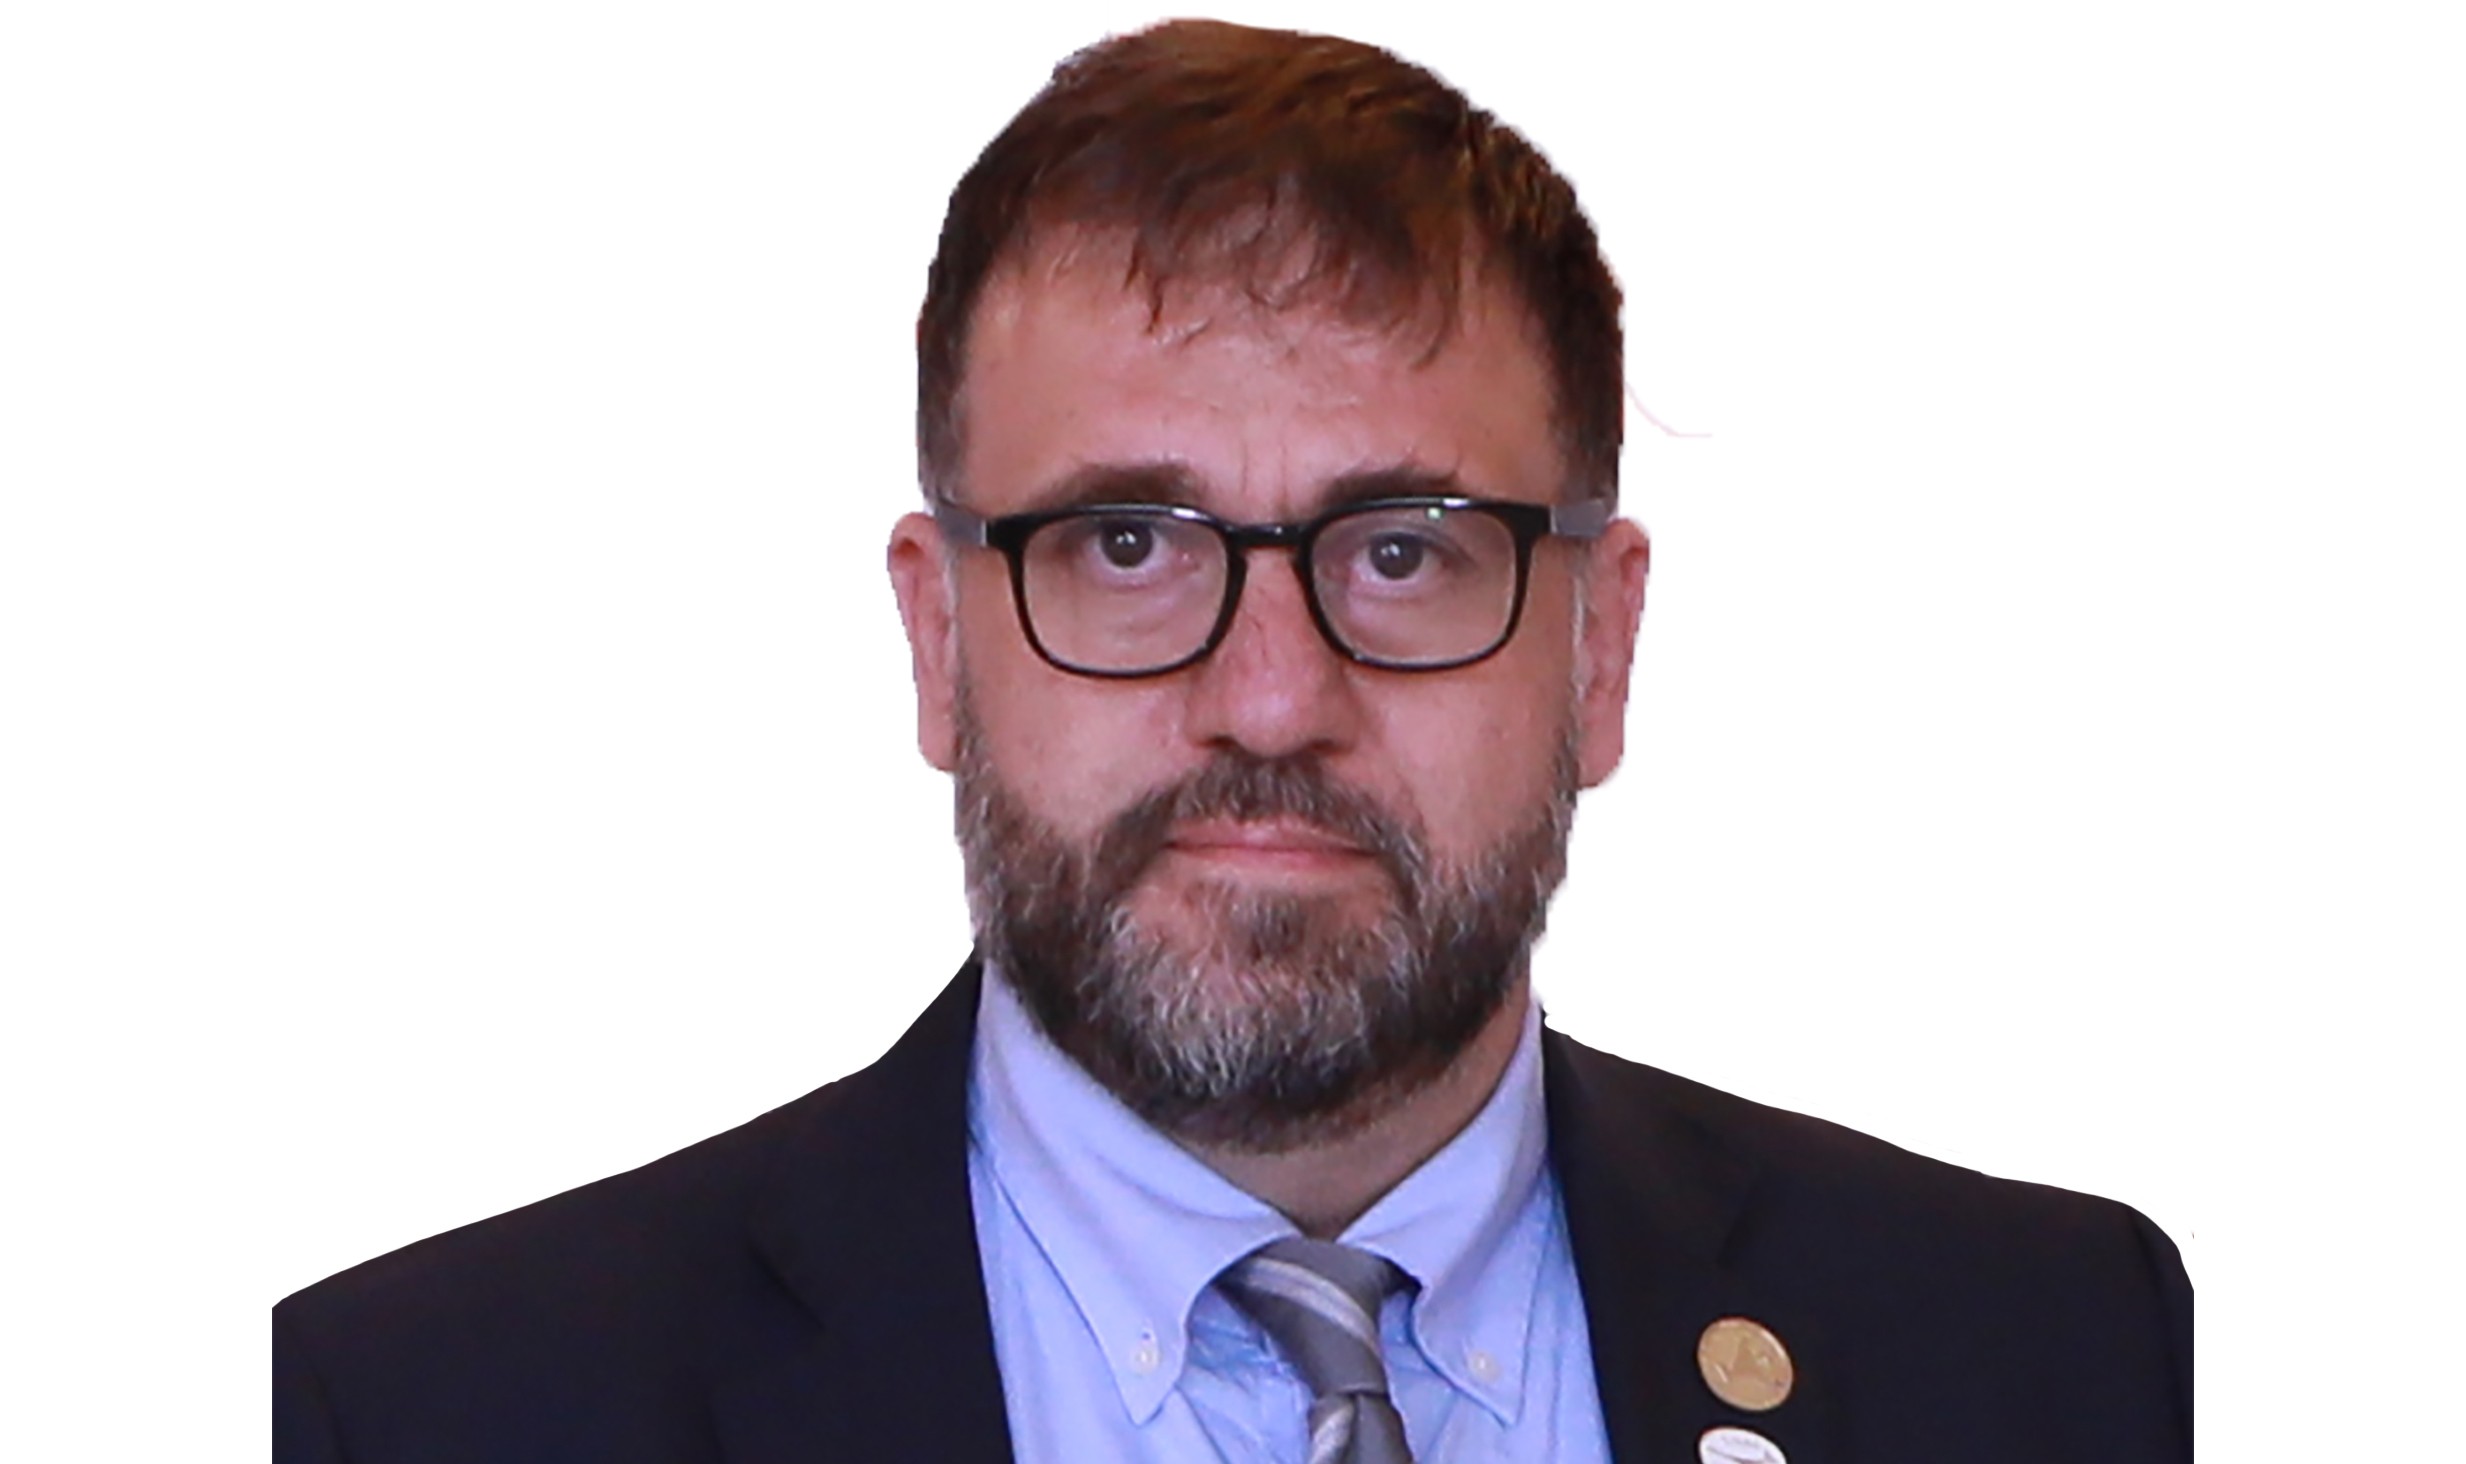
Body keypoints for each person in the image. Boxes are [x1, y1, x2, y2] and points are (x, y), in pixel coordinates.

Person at [273, 19, 2190, 1463]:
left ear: (1599, 651)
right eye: (1126, 545)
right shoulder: (418, 1410)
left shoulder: (2063, 1360)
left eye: (1404, 550)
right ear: (936, 641)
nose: (1271, 699)